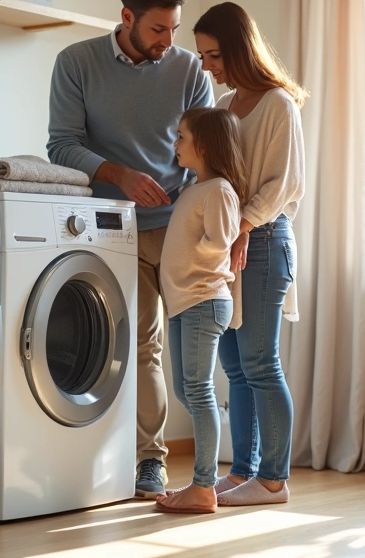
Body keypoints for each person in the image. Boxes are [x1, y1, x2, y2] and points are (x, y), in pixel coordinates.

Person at [47, 0, 215, 498]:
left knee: (195, 351)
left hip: (177, 227)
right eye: (158, 30)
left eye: (174, 29)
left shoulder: (190, 71)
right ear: (127, 18)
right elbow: (61, 145)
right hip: (111, 227)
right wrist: (119, 175)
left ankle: (224, 468)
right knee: (142, 345)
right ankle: (150, 461)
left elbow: (207, 152)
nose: (169, 42)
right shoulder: (76, 63)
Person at [192, 2, 307, 506]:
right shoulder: (224, 106)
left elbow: (285, 185)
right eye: (202, 55)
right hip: (231, 245)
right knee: (235, 369)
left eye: (213, 54)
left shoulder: (278, 104)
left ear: (239, 49)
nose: (207, 66)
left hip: (261, 243)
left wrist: (240, 227)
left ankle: (275, 480)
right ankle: (242, 472)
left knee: (261, 364)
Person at [153, 108, 246, 514]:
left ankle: (204, 486)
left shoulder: (220, 190)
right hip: (185, 303)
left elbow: (219, 241)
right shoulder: (194, 189)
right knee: (186, 390)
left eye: (182, 137)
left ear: (204, 146)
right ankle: (213, 423)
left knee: (198, 390)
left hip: (203, 300)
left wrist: (188, 256)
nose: (176, 144)